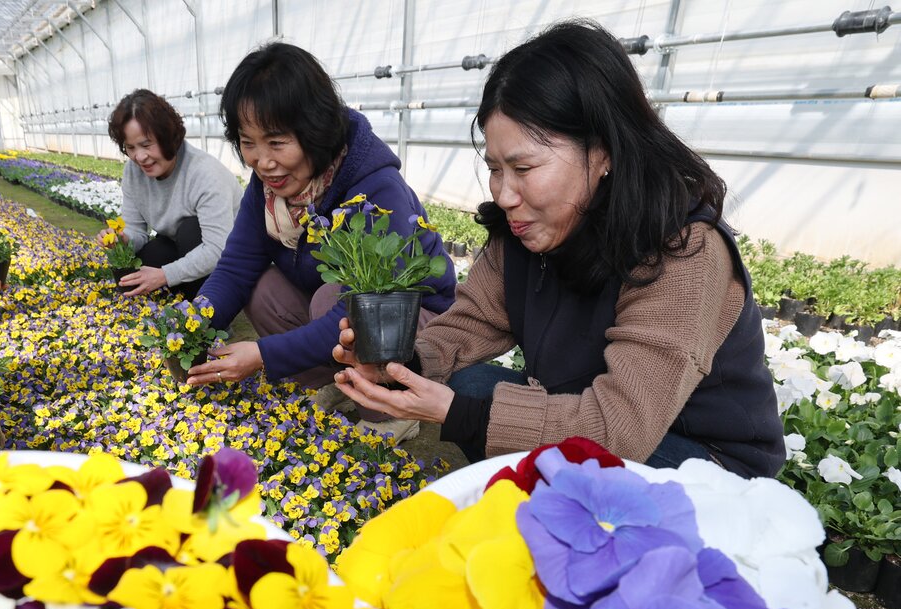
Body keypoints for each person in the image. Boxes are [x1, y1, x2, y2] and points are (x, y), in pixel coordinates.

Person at [332, 20, 785, 477]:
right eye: (495, 168)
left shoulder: (684, 250)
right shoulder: (529, 227)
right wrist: (401, 365)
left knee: (472, 407)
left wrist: (457, 414)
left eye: (524, 167)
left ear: (603, 151)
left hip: (702, 464)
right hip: (598, 430)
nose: (504, 194)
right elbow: (470, 323)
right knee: (471, 387)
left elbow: (619, 431)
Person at [185, 42, 457, 443]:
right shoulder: (268, 190)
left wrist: (262, 355)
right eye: (248, 143)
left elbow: (356, 307)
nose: (262, 161)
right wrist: (189, 325)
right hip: (340, 320)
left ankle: (388, 408)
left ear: (315, 131)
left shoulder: (373, 187)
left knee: (341, 301)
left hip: (418, 325)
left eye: (276, 143)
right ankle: (338, 380)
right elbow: (236, 266)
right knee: (261, 288)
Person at [99, 89, 243, 301]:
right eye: (130, 147)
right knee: (148, 257)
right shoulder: (133, 171)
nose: (139, 156)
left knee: (190, 230)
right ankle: (178, 302)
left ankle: (209, 311)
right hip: (182, 246)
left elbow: (217, 249)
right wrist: (123, 239)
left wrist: (164, 275)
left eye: (147, 145)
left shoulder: (205, 173)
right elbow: (136, 230)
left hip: (231, 261)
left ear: (168, 137)